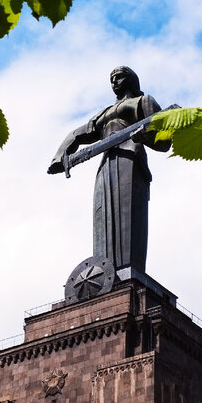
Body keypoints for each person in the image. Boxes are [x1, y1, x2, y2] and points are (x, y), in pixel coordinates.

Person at [47, 67, 169, 274]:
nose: (114, 81)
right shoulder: (103, 113)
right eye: (111, 79)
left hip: (130, 158)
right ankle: (105, 271)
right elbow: (78, 133)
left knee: (129, 211)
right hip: (106, 163)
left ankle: (129, 270)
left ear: (131, 80)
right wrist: (60, 156)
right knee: (102, 213)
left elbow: (164, 142)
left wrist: (144, 137)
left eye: (119, 77)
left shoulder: (143, 101)